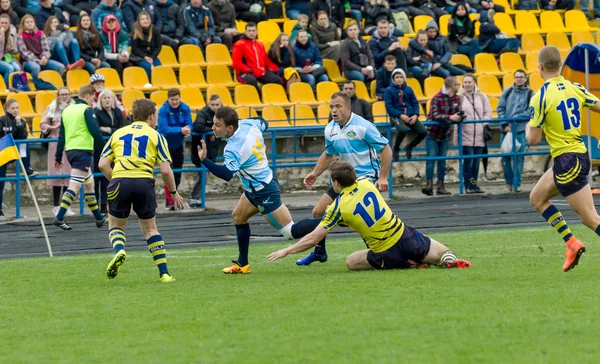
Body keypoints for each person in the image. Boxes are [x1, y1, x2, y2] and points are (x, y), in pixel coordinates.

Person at [268, 161, 473, 270]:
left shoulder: (337, 208)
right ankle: (447, 259)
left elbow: (314, 237)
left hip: (385, 254)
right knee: (441, 251)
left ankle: (409, 264)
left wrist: (287, 250)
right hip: (405, 237)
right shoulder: (366, 183)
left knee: (351, 262)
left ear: (336, 183)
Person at [196, 107, 329, 273]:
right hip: (256, 186)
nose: (213, 128)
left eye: (217, 125)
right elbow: (263, 123)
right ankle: (242, 264)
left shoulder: (233, 149)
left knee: (290, 232)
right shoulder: (249, 124)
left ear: (229, 128)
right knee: (238, 217)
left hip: (264, 190)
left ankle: (336, 220)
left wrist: (204, 160)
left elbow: (227, 175)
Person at [526, 45, 600, 272]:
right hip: (577, 155)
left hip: (567, 160)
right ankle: (571, 243)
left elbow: (533, 139)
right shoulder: (574, 87)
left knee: (590, 219)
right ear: (560, 65)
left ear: (539, 67)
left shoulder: (540, 97)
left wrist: (529, 126)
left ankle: (572, 243)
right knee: (537, 197)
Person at [298, 92, 392, 265]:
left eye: (338, 106)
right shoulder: (330, 129)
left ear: (348, 108)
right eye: (332, 106)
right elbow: (328, 154)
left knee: (361, 219)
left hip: (363, 179)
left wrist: (383, 177)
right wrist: (315, 174)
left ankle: (377, 254)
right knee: (318, 212)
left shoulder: (364, 127)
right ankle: (320, 252)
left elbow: (386, 149)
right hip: (343, 178)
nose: (334, 110)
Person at [99, 98, 183, 283]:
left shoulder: (118, 134)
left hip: (120, 179)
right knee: (150, 228)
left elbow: (102, 164)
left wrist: (116, 180)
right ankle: (164, 273)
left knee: (116, 225)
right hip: (143, 182)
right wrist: (174, 192)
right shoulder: (156, 136)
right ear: (151, 116)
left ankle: (119, 249)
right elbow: (166, 170)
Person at [53, 85, 107, 230]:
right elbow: (95, 132)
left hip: (71, 151)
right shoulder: (86, 110)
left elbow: (62, 136)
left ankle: (99, 217)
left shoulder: (67, 111)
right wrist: (106, 149)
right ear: (88, 96)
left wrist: (58, 156)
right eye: (92, 98)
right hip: (83, 151)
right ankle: (59, 217)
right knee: (75, 185)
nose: (92, 101)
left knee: (89, 184)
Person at [422, 76, 462, 196]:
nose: (459, 87)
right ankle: (428, 184)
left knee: (442, 161)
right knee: (431, 158)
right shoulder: (437, 98)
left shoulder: (456, 98)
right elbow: (434, 115)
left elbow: (459, 112)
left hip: (445, 133)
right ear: (452, 86)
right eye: (457, 84)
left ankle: (440, 185)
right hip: (433, 133)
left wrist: (459, 117)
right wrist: (450, 117)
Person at [40, 87, 76, 217]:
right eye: (62, 95)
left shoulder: (74, 107)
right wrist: (53, 127)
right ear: (58, 96)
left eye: (67, 94)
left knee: (68, 174)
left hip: (70, 143)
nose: (64, 97)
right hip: (55, 143)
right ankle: (56, 206)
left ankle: (66, 206)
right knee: (56, 174)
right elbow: (43, 125)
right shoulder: (51, 108)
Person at [498, 69, 534, 192]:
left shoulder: (530, 94)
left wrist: (517, 117)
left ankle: (516, 183)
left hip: (520, 131)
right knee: (505, 157)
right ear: (514, 78)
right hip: (506, 131)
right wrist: (504, 124)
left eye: (521, 77)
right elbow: (500, 108)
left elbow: (531, 111)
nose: (519, 79)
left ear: (525, 78)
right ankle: (509, 182)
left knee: (519, 158)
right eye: (517, 77)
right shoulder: (507, 92)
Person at [454, 74, 491, 194]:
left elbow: (488, 112)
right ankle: (467, 185)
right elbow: (456, 115)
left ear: (474, 83)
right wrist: (456, 137)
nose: (468, 84)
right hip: (465, 134)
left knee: (476, 162)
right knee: (468, 161)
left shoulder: (482, 96)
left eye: (470, 82)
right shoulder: (459, 97)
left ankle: (474, 185)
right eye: (465, 82)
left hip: (479, 135)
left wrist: (483, 123)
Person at [157, 88, 192, 210]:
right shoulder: (163, 110)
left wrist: (188, 130)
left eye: (176, 99)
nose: (175, 102)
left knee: (177, 173)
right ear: (168, 99)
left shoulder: (185, 108)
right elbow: (162, 128)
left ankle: (175, 200)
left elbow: (189, 123)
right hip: (165, 145)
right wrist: (180, 130)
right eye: (172, 100)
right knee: (168, 173)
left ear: (180, 98)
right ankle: (169, 201)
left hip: (178, 145)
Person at [94, 89, 127, 213]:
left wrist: (108, 129)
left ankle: (108, 203)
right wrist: (113, 130)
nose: (107, 100)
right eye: (104, 98)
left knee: (112, 176)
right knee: (98, 177)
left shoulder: (117, 111)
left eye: (109, 97)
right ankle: (98, 205)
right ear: (100, 100)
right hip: (100, 149)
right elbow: (98, 130)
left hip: (116, 149)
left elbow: (122, 128)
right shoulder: (96, 112)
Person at [384, 68, 425, 161]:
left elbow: (415, 103)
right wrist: (400, 115)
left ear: (404, 78)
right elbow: (389, 107)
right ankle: (396, 148)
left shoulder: (409, 89)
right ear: (393, 79)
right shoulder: (389, 91)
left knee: (423, 132)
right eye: (397, 77)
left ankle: (409, 146)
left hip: (411, 116)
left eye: (401, 77)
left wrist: (415, 115)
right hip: (396, 116)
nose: (399, 79)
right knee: (402, 130)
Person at [190, 94, 222, 207]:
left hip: (212, 151)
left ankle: (195, 198)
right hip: (199, 151)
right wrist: (211, 131)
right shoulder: (203, 113)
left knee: (204, 176)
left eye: (217, 104)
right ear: (209, 104)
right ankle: (194, 198)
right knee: (204, 176)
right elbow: (197, 126)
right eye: (213, 104)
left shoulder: (222, 115)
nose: (215, 107)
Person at [232, 22, 282, 94]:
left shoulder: (260, 45)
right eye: (249, 31)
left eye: (253, 31)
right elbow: (236, 63)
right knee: (252, 81)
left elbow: (266, 60)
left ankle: (272, 99)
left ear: (257, 32)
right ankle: (261, 99)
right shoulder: (239, 44)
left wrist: (276, 69)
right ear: (245, 32)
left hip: (260, 71)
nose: (251, 33)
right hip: (245, 72)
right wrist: (249, 69)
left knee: (277, 80)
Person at [0, 99, 29, 219]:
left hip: (12, 152)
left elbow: (23, 137)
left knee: (26, 145)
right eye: (13, 108)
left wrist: (18, 125)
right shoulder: (2, 120)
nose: (16, 110)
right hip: (2, 152)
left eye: (17, 108)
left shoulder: (21, 121)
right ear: (7, 109)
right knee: (0, 182)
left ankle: (28, 168)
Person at [130, 11, 162, 80]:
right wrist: (144, 57)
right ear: (139, 21)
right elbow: (135, 49)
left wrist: (152, 57)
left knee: (158, 66)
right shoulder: (135, 31)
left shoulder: (155, 30)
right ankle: (147, 84)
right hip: (139, 56)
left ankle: (157, 84)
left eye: (147, 18)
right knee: (146, 66)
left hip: (152, 55)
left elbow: (158, 47)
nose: (145, 20)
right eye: (142, 19)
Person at [99, 14, 131, 80]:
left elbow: (125, 48)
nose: (111, 24)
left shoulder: (123, 34)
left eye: (113, 22)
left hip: (119, 56)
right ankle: (119, 83)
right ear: (105, 24)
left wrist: (125, 55)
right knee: (118, 65)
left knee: (129, 65)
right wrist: (117, 56)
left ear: (116, 22)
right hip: (107, 58)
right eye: (109, 22)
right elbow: (104, 53)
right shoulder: (101, 35)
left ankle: (128, 84)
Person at [0, 14, 21, 85]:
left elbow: (16, 51)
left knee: (17, 68)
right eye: (2, 23)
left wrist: (12, 49)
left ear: (9, 24)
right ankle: (6, 89)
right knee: (10, 68)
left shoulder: (10, 34)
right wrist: (1, 35)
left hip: (6, 58)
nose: (4, 25)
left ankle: (15, 87)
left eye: (6, 23)